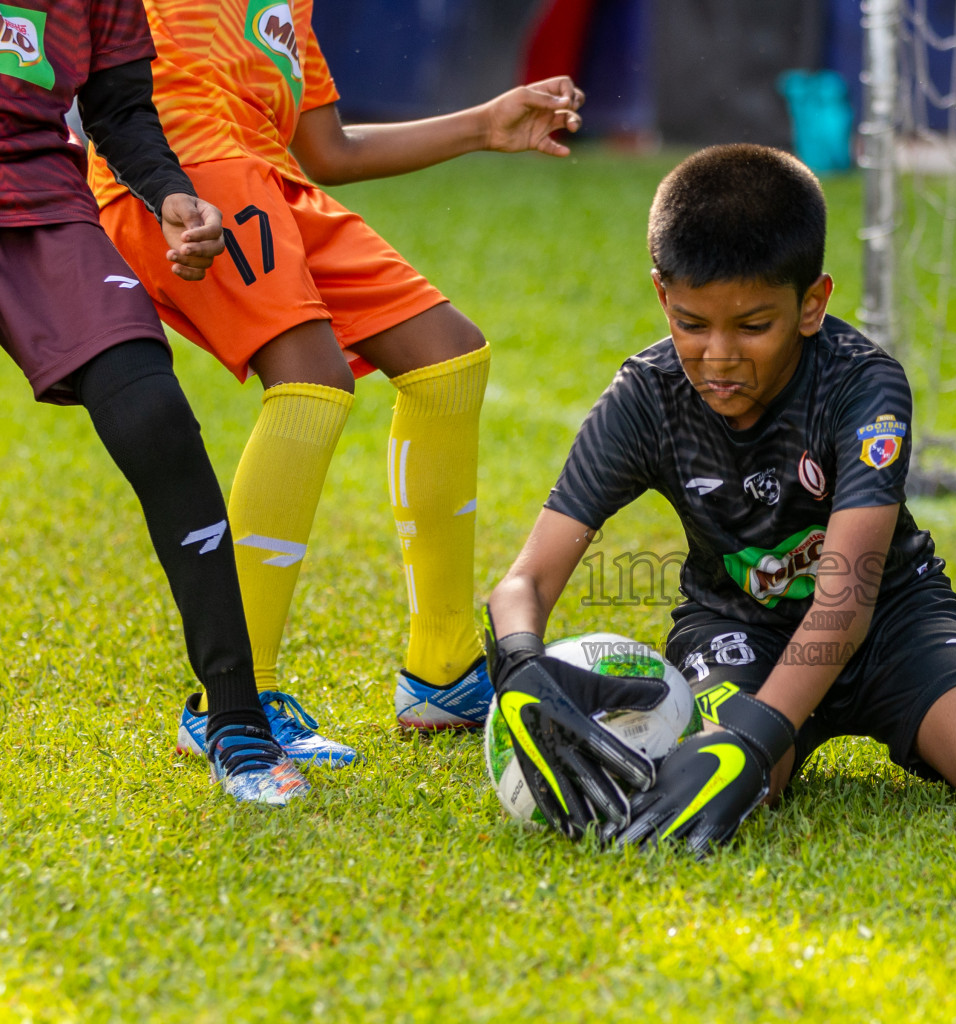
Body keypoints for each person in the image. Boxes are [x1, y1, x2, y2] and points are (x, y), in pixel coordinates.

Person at [483, 144, 956, 854]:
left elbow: (846, 600)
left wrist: (755, 733)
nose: (719, 356)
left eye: (752, 326)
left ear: (812, 303)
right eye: (690, 323)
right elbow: (525, 580)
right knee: (747, 790)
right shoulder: (646, 398)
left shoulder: (865, 387)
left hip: (890, 617)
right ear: (661, 296)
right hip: (738, 628)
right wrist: (522, 665)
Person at [87, 0, 588, 766]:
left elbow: (330, 149)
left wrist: (487, 124)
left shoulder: (290, 8)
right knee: (313, 381)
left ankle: (444, 670)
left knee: (449, 358)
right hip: (183, 180)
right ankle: (232, 700)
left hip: (275, 182)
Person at [0, 0, 305, 803]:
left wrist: (171, 194)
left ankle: (235, 719)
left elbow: (117, 107)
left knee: (153, 413)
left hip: (40, 202)